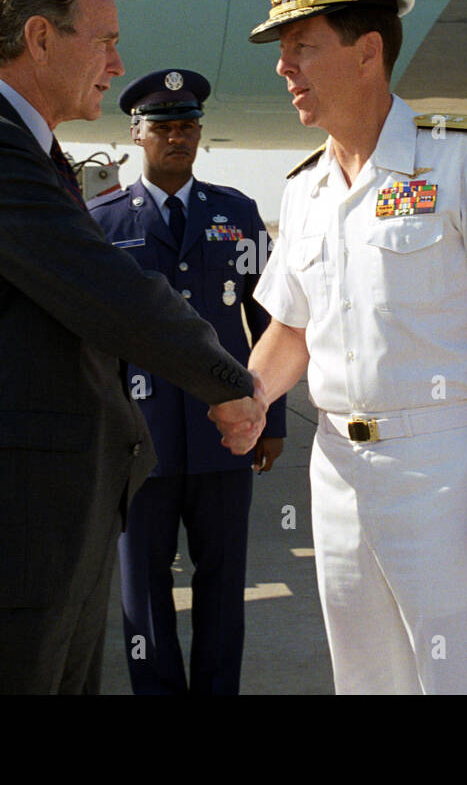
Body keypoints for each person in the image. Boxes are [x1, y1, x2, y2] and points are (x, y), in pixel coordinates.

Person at [0, 0, 266, 695]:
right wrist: (229, 382)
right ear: (40, 39)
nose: (116, 59)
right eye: (102, 39)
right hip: (0, 531)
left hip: (49, 527)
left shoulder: (30, 152)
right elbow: (111, 290)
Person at [245, 0, 467, 694]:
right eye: (282, 52)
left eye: (302, 48)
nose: (285, 67)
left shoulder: (461, 160)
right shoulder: (306, 189)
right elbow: (290, 331)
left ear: (367, 52)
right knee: (365, 680)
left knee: (466, 679)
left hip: (445, 466)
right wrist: (245, 399)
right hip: (338, 469)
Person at [88, 68, 287, 695]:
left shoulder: (236, 212)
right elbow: (91, 341)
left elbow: (270, 320)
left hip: (223, 437)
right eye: (164, 127)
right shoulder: (103, 221)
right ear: (136, 134)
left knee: (223, 580)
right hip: (137, 441)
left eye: (189, 126)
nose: (179, 137)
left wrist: (271, 419)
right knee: (142, 587)